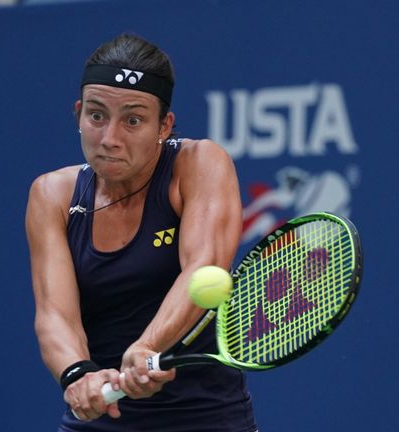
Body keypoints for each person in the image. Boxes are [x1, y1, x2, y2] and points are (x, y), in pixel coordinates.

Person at [25, 33, 257, 432]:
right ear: (78, 113)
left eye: (133, 119)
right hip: (99, 421)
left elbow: (203, 267)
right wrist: (79, 374)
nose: (110, 138)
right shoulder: (52, 194)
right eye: (97, 116)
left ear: (164, 125)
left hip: (205, 419)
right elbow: (55, 315)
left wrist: (148, 346)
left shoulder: (199, 163)